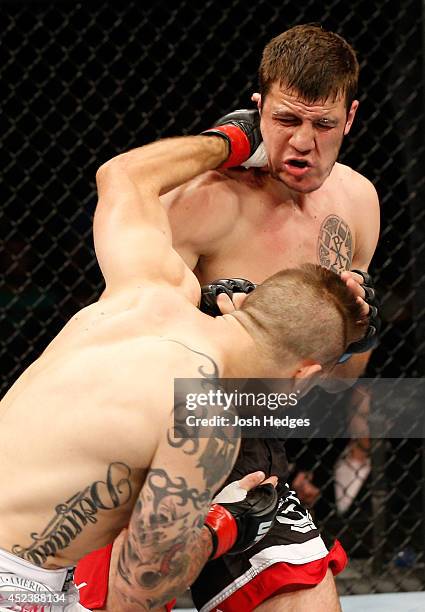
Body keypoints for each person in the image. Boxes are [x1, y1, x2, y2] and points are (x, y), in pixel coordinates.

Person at [0, 124, 366, 612]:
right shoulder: (204, 416)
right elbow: (135, 596)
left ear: (240, 306)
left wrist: (234, 140)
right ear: (305, 376)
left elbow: (123, 176)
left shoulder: (149, 286)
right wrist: (225, 524)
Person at [163, 23, 381, 612]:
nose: (303, 142)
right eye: (287, 120)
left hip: (255, 447)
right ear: (257, 111)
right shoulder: (205, 199)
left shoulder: (358, 205)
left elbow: (336, 383)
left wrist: (354, 330)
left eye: (323, 124)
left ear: (351, 119)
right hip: (159, 432)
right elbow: (130, 339)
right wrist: (214, 321)